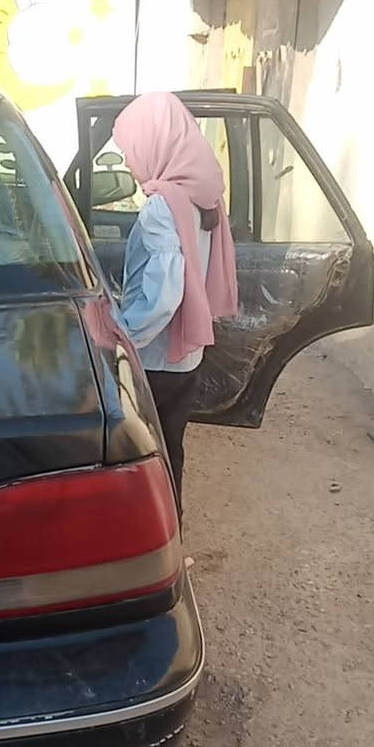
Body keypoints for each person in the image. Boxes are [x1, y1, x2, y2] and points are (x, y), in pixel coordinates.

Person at [112, 92, 238, 517]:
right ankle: (170, 525)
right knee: (170, 450)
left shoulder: (161, 207)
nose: (127, 160)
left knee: (140, 455)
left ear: (153, 143)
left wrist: (120, 339)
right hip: (186, 356)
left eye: (128, 148)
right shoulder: (204, 193)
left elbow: (164, 297)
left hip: (154, 357)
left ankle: (145, 535)